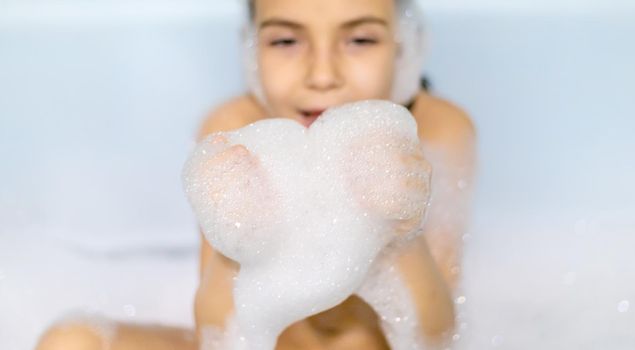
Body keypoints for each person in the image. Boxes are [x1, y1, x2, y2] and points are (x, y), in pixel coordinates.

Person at [36, 0, 475, 349]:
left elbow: (436, 336)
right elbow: (216, 330)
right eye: (286, 41)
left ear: (402, 45)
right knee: (69, 342)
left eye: (360, 39)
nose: (322, 75)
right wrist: (241, 239)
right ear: (251, 47)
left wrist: (399, 235)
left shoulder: (437, 131)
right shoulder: (232, 131)